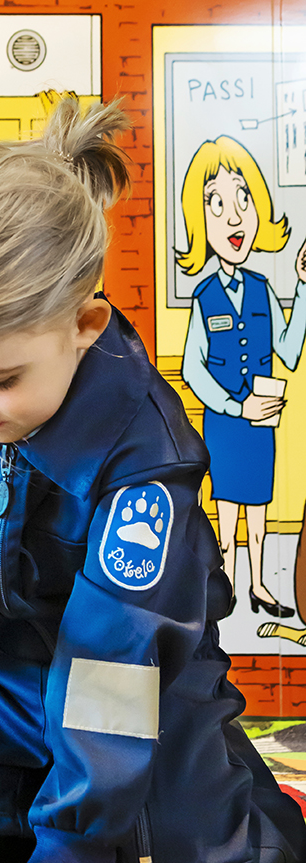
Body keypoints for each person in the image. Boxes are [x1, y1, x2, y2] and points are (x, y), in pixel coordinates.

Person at [0, 99, 306, 863]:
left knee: (196, 858)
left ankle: (236, 785)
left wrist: (75, 852)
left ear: (83, 326)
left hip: (137, 697)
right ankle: (44, 805)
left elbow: (114, 665)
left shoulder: (143, 458)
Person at [179, 136, 306, 617]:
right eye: (216, 202)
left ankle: (258, 585)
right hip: (227, 421)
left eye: (243, 199)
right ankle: (227, 585)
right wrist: (236, 406)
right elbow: (194, 368)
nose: (233, 217)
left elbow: (289, 351)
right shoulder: (205, 295)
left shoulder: (263, 287)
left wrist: (302, 288)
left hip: (262, 424)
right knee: (227, 510)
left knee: (259, 509)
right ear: (199, 219)